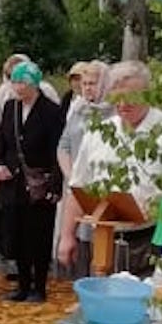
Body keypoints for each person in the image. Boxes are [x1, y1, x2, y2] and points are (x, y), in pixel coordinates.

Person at [58, 61, 162, 274]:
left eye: (131, 97)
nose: (123, 104)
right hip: (105, 241)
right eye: (117, 97)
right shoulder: (100, 133)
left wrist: (153, 208)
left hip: (156, 242)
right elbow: (78, 187)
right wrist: (67, 235)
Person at [0, 60, 67, 303]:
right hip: (13, 183)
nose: (17, 86)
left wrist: (56, 185)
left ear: (34, 83)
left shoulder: (51, 111)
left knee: (39, 236)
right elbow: (0, 141)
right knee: (17, 234)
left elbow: (58, 150)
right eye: (14, 81)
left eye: (22, 81)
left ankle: (40, 287)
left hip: (40, 183)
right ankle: (22, 285)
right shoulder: (9, 107)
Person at [55, 63, 106, 277]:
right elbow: (64, 144)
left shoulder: (112, 111)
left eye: (93, 83)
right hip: (76, 183)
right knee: (77, 239)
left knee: (99, 241)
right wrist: (71, 174)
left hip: (101, 185)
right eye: (84, 83)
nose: (87, 88)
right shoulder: (78, 109)